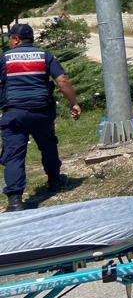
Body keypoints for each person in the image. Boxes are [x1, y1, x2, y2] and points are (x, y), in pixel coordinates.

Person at [0, 23, 81, 212]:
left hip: (14, 114)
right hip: (41, 112)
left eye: (10, 39)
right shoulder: (45, 56)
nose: (9, 43)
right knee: (48, 146)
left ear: (16, 39)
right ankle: (54, 181)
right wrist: (73, 103)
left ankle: (15, 201)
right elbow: (62, 80)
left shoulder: (4, 58)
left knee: (13, 155)